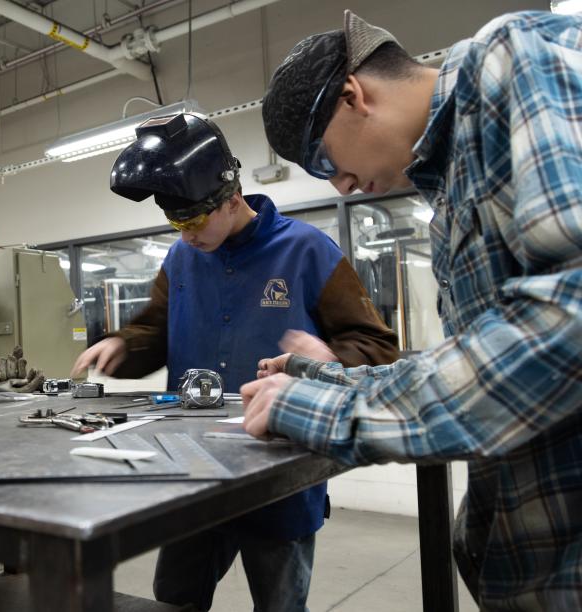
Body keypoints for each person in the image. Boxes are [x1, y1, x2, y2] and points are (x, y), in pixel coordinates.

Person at [244, 10, 582, 609]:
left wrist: (328, 415)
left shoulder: (511, 59)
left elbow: (568, 314)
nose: (340, 186)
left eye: (323, 162)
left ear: (353, 96)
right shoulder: (448, 195)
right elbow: (475, 362)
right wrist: (316, 378)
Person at [72, 112, 398, 611]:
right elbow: (154, 331)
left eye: (194, 221)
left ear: (232, 199)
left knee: (280, 604)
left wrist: (329, 359)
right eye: (176, 223)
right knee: (173, 599)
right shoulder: (182, 259)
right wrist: (123, 345)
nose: (186, 236)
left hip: (278, 470)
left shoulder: (307, 250)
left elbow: (376, 347)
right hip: (193, 469)